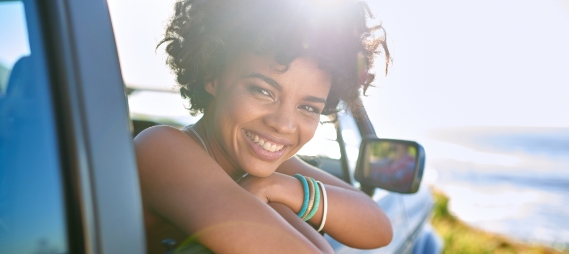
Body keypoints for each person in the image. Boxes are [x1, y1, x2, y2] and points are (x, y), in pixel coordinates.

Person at [134, 0, 392, 253]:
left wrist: (278, 188)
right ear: (212, 75)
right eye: (262, 91)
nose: (283, 124)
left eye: (308, 108)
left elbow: (380, 227)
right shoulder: (162, 150)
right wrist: (277, 204)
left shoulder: (266, 168)